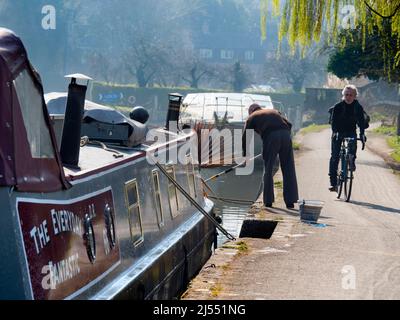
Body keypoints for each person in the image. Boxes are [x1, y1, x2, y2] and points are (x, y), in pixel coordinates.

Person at [242, 104, 299, 209]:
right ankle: (290, 202)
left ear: (250, 111)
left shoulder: (252, 117)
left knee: (268, 169)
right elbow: (289, 124)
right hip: (286, 134)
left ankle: (268, 202)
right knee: (288, 168)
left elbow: (246, 136)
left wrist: (246, 156)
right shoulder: (273, 111)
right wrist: (283, 137)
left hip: (271, 137)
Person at [328, 85, 366, 192]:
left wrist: (362, 134)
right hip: (338, 132)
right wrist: (335, 132)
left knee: (352, 146)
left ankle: (351, 160)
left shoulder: (358, 107)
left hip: (350, 131)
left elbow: (361, 122)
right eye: (346, 95)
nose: (348, 97)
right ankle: (333, 183)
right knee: (335, 156)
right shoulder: (338, 106)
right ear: (343, 95)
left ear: (355, 96)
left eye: (351, 95)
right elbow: (333, 122)